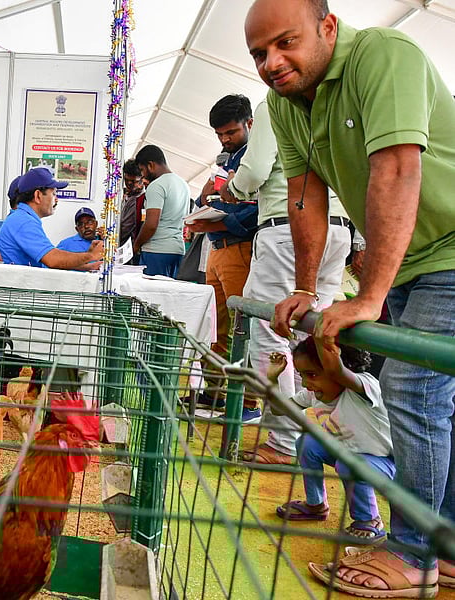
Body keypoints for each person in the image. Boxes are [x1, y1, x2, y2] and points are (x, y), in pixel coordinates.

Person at [246, 0, 455, 595]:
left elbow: (395, 168)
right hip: (418, 254)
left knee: (414, 388)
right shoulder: (284, 106)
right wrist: (307, 287)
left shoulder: (384, 57)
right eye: (259, 53)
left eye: (285, 43)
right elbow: (306, 195)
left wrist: (369, 295)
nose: (271, 61)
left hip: (451, 245)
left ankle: (416, 555)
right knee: (439, 395)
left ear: (327, 27)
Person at [226, 99, 352, 466]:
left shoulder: (276, 103)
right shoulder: (339, 100)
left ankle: (283, 441)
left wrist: (233, 189)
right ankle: (323, 433)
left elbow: (255, 171)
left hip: (288, 228)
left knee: (271, 335)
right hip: (338, 228)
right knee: (315, 336)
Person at [271, 339, 394, 545]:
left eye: (312, 375)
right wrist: (272, 378)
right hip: (350, 454)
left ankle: (369, 521)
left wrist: (322, 335)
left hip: (386, 463)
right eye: (302, 375)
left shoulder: (363, 386)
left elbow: (337, 371)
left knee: (349, 464)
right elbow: (278, 409)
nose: (305, 383)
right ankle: (316, 505)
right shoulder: (313, 394)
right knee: (307, 443)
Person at [188, 95, 260, 421]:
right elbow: (216, 194)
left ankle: (244, 402)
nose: (225, 139)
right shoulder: (226, 158)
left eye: (230, 132)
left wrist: (222, 216)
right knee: (214, 325)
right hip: (217, 248)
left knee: (240, 327)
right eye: (219, 134)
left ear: (250, 124)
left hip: (240, 246)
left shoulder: (254, 158)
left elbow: (252, 209)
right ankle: (215, 392)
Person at [0, 167, 104, 270]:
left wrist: (87, 266)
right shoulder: (23, 221)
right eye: (53, 194)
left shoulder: (23, 218)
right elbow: (53, 260)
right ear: (38, 196)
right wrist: (91, 256)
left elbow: (47, 262)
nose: (56, 200)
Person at [132, 145, 188, 277]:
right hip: (178, 250)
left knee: (150, 295)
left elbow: (151, 225)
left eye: (142, 170)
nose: (143, 175)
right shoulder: (183, 184)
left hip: (156, 251)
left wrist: (137, 244)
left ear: (150, 165)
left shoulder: (156, 186)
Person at [119, 160, 146, 261]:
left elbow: (125, 227)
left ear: (142, 179)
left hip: (129, 250)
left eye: (133, 181)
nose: (129, 184)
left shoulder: (139, 199)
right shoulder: (127, 195)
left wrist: (110, 234)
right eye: (126, 180)